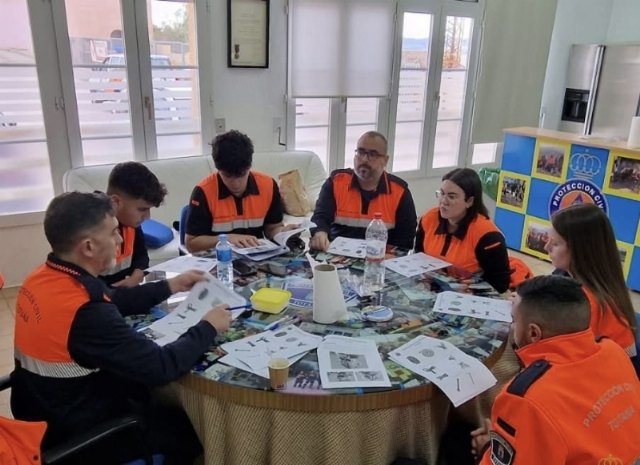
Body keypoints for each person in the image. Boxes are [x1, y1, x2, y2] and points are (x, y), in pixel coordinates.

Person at [11, 191, 232, 465]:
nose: (119, 240)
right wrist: (208, 327)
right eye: (114, 232)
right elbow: (161, 367)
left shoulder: (43, 277)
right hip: (82, 434)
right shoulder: (87, 314)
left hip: (41, 412)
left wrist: (169, 286)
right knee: (192, 429)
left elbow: (111, 298)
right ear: (88, 246)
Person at [471, 275, 640, 464]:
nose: (511, 326)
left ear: (533, 333)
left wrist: (487, 447)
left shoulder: (525, 398)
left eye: (514, 320)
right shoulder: (613, 350)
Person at [546, 203, 636, 356]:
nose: (546, 247)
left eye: (555, 243)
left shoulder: (587, 304)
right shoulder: (565, 275)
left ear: (580, 249)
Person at [185, 130, 294, 253]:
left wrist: (283, 233)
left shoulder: (268, 186)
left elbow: (272, 228)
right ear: (218, 169)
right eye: (227, 176)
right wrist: (226, 239)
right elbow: (191, 244)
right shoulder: (203, 192)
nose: (236, 184)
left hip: (257, 258)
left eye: (242, 175)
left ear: (249, 166)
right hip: (219, 260)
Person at [309, 131, 417, 251]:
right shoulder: (336, 182)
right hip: (337, 255)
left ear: (385, 160)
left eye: (372, 154)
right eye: (360, 152)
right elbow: (320, 217)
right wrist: (320, 232)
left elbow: (405, 239)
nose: (364, 159)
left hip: (380, 257)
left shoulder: (400, 192)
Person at [415, 168, 511, 292]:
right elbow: (418, 256)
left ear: (469, 201)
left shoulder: (488, 236)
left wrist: (470, 287)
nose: (443, 201)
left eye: (451, 196)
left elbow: (500, 284)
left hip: (469, 294)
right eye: (442, 193)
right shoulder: (428, 219)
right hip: (432, 287)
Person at [100, 161, 168, 288]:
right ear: (115, 202)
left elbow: (141, 255)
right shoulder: (92, 228)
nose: (148, 217)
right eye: (142, 209)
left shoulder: (130, 223)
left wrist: (138, 274)